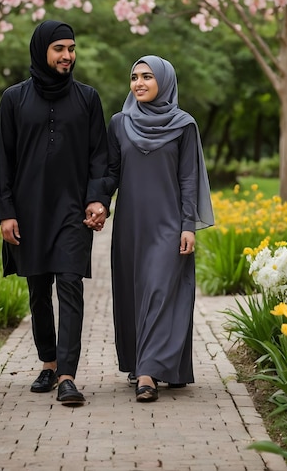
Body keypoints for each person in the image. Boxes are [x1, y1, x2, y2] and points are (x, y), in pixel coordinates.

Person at [0, 19, 110, 407]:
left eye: (72, 49)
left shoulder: (88, 99)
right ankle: (48, 362)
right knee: (38, 290)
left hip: (73, 212)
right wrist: (6, 213)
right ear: (42, 49)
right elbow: (2, 160)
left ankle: (67, 377)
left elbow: (99, 157)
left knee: (70, 286)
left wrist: (98, 199)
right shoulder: (14, 99)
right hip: (28, 212)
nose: (67, 56)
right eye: (60, 49)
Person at [102, 55, 214, 403]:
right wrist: (97, 202)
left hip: (168, 225)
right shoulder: (120, 124)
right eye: (134, 77)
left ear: (164, 81)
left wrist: (187, 225)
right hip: (130, 226)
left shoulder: (184, 125)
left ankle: (148, 373)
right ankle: (153, 364)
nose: (139, 83)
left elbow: (188, 179)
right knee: (136, 295)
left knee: (160, 292)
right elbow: (111, 172)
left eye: (147, 77)